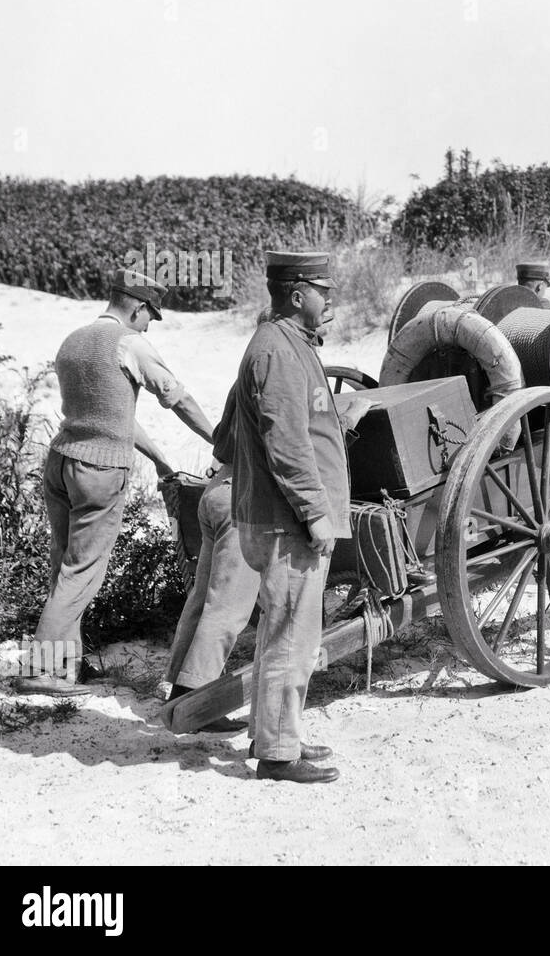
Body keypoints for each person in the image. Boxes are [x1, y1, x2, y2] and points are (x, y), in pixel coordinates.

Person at [14, 271, 215, 696]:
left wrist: (161, 461)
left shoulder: (74, 340)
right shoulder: (130, 343)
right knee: (82, 572)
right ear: (138, 307)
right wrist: (219, 438)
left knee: (64, 566)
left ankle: (65, 667)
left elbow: (112, 416)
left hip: (61, 461)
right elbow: (177, 397)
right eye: (150, 317)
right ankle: (39, 670)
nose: (149, 325)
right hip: (99, 472)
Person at [232, 250, 364, 784]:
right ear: (295, 294)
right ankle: (278, 755)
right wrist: (315, 514)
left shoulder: (287, 346)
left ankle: (277, 735)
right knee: (292, 638)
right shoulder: (278, 352)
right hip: (287, 524)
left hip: (280, 518)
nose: (330, 299)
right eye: (322, 290)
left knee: (282, 634)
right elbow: (287, 444)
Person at [162, 384, 261, 731]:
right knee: (228, 608)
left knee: (202, 600)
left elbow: (221, 433)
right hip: (243, 499)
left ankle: (177, 690)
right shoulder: (281, 370)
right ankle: (199, 704)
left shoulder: (246, 375)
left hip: (217, 491)